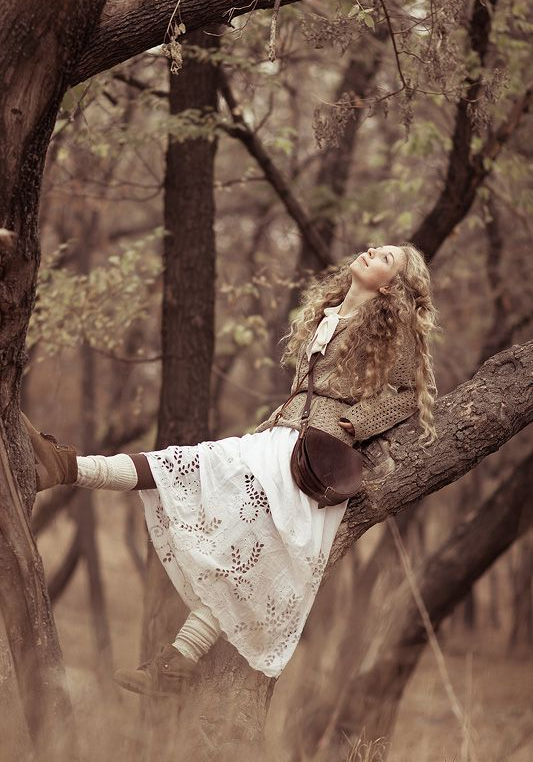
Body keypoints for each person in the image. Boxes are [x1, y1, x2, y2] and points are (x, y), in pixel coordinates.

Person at [23, 242, 438, 696]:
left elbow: (407, 396)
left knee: (237, 546)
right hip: (276, 439)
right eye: (376, 248)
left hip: (313, 459)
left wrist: (359, 422)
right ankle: (67, 467)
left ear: (391, 287)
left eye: (385, 259)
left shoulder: (390, 329)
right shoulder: (331, 313)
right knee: (184, 466)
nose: (373, 251)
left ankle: (175, 663)